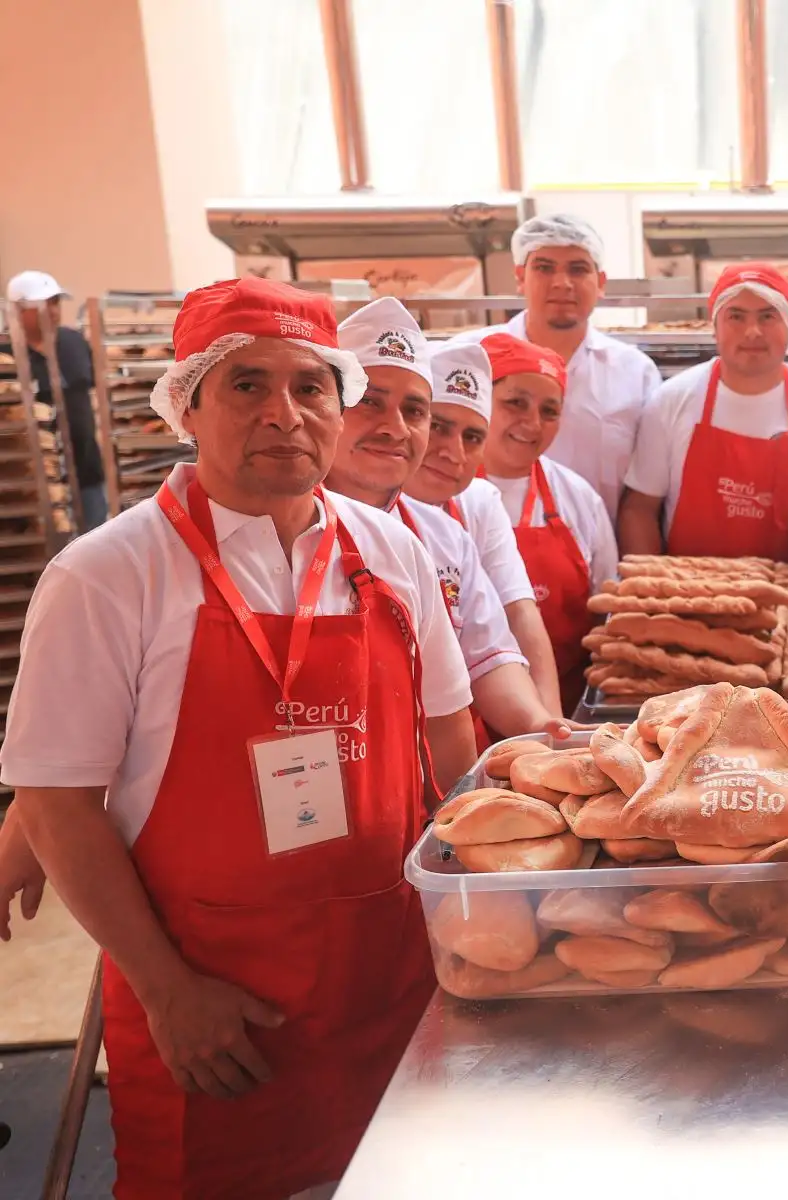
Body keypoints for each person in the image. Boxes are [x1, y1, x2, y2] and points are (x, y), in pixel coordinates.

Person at [0, 277, 474, 1198]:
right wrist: (169, 992)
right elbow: (57, 806)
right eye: (247, 385)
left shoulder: (393, 551)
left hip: (390, 986)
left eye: (310, 388)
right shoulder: (108, 574)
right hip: (215, 1011)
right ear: (188, 405)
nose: (285, 414)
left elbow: (453, 747)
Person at [332, 299, 573, 742]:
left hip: (434, 769)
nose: (395, 428)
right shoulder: (278, 523)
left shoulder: (443, 536)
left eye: (414, 411)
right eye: (370, 402)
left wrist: (542, 727)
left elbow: (488, 654)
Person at [618, 263, 788, 559]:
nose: (752, 331)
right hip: (688, 594)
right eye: (736, 317)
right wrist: (649, 593)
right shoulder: (671, 401)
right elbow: (639, 510)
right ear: (715, 327)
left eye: (768, 316)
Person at [465, 212, 660, 520]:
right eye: (544, 268)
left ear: (601, 283)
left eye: (578, 269)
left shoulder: (635, 373)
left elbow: (646, 490)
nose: (562, 283)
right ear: (519, 277)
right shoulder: (470, 357)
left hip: (596, 551)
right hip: (475, 548)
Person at [406, 340, 563, 714]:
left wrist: (550, 722)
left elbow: (515, 618)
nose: (453, 452)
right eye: (437, 427)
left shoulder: (477, 504)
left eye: (472, 437)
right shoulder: (356, 513)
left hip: (476, 720)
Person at [479, 331, 618, 712]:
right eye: (515, 403)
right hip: (464, 712)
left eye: (549, 410)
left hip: (568, 709)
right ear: (481, 402)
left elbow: (608, 610)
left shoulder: (577, 497)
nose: (533, 423)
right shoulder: (441, 494)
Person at [5, 270, 108, 531]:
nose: (52, 311)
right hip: (35, 484)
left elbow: (94, 391)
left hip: (88, 474)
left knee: (96, 549)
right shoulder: (5, 354)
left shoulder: (73, 342)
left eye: (55, 303)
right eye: (41, 305)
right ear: (17, 310)